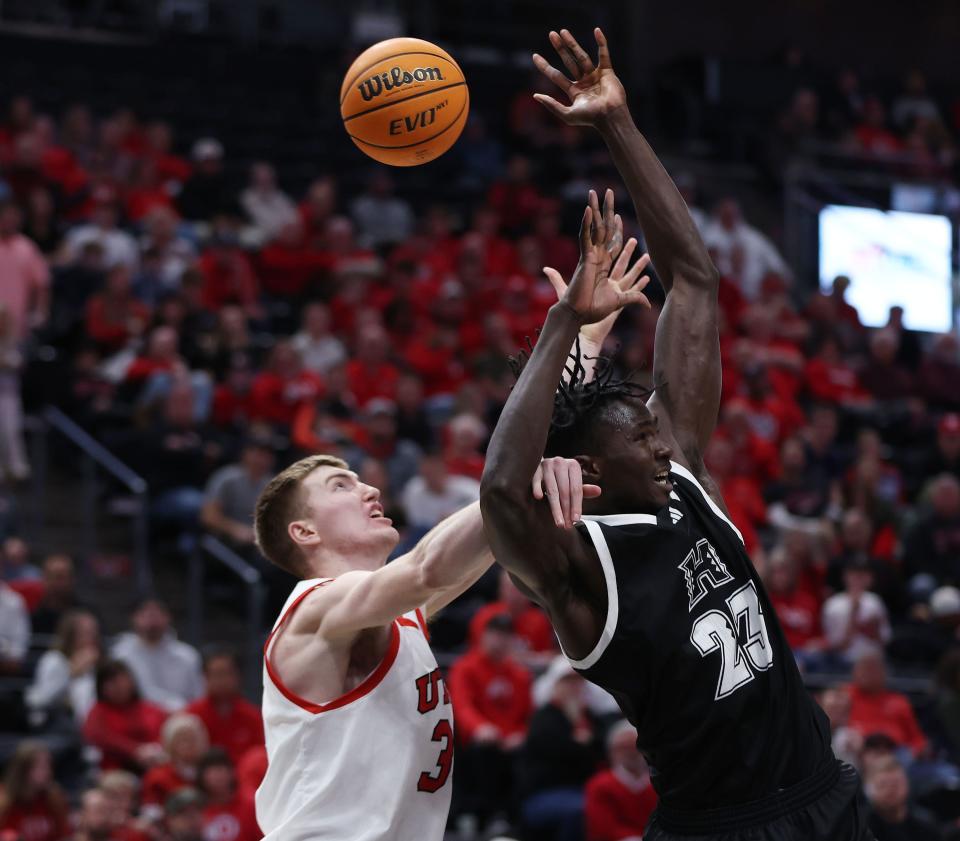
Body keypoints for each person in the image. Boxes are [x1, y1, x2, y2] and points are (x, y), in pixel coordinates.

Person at [480, 27, 869, 840]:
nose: (663, 444)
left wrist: (617, 123)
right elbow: (499, 493)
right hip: (720, 826)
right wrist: (562, 324)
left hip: (821, 793)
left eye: (658, 434)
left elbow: (693, 277)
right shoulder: (580, 567)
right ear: (592, 462)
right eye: (643, 441)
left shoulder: (680, 469)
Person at [251, 447, 591, 840]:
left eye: (363, 481)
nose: (371, 490)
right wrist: (515, 474)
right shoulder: (315, 607)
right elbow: (426, 569)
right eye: (341, 486)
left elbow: (474, 552)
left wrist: (540, 481)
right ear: (305, 532)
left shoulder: (399, 613)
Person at [448, 613, 532, 830]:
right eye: (495, 634)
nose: (500, 640)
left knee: (528, 753)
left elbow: (527, 715)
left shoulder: (519, 674)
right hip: (478, 742)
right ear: (483, 636)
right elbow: (462, 705)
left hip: (510, 742)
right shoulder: (465, 668)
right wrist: (480, 727)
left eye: (505, 636)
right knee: (483, 751)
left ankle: (510, 818)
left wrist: (521, 734)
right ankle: (477, 815)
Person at [518, 658, 602, 841]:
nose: (573, 687)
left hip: (586, 792)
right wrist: (580, 740)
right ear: (555, 685)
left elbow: (599, 751)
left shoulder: (591, 717)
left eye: (577, 681)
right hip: (545, 794)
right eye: (567, 681)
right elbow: (564, 752)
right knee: (582, 811)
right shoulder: (543, 718)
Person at [111, 598, 203, 712]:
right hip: (135, 718)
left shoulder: (188, 656)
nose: (152, 620)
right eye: (146, 614)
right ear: (134, 618)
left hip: (181, 719)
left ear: (168, 617)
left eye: (157, 614)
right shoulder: (120, 655)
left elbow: (199, 695)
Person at [83, 659, 167, 771]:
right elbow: (100, 737)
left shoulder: (150, 708)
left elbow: (165, 732)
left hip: (155, 763)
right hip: (114, 769)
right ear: (101, 687)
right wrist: (135, 750)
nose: (119, 687)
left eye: (122, 680)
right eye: (112, 682)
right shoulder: (98, 711)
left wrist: (154, 749)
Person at [185, 647, 264, 764]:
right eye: (216, 674)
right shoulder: (191, 716)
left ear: (238, 676)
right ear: (205, 678)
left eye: (227, 673)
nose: (221, 680)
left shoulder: (253, 716)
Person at [25, 609, 101, 727]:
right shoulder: (54, 659)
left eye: (94, 632)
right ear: (70, 635)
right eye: (86, 633)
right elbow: (42, 698)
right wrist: (72, 673)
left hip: (87, 726)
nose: (92, 638)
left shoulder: (95, 664)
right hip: (54, 724)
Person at [845, 650, 928, 759]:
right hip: (857, 753)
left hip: (897, 755)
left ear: (884, 673)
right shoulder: (843, 696)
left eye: (873, 669)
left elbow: (916, 738)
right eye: (864, 668)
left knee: (946, 773)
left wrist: (917, 751)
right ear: (854, 672)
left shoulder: (899, 701)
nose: (867, 674)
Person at [584, 720, 658, 841]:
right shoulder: (600, 785)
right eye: (623, 748)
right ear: (611, 752)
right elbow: (603, 828)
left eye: (634, 747)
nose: (630, 753)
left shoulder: (660, 785)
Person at [0, 742, 69, 841]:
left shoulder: (54, 798)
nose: (48, 772)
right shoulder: (4, 799)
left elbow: (64, 835)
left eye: (49, 766)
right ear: (24, 769)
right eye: (42, 767)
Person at [864, 756, 943, 841]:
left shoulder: (926, 826)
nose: (890, 791)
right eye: (883, 786)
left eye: (895, 784)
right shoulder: (858, 828)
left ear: (907, 785)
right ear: (868, 790)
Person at [196, 749, 261, 841]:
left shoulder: (251, 806)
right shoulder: (197, 810)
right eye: (211, 772)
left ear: (232, 773)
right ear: (202, 777)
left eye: (220, 770)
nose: (217, 776)